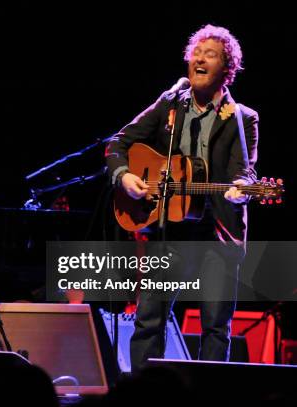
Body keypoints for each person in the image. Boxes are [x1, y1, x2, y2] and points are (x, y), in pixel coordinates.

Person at [105, 25, 258, 372]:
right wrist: (125, 177)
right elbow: (118, 144)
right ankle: (143, 393)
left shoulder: (242, 118)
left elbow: (246, 173)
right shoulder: (171, 101)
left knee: (216, 328)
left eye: (211, 55)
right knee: (148, 321)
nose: (200, 59)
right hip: (169, 232)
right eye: (196, 52)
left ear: (227, 69)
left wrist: (239, 191)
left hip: (218, 235)